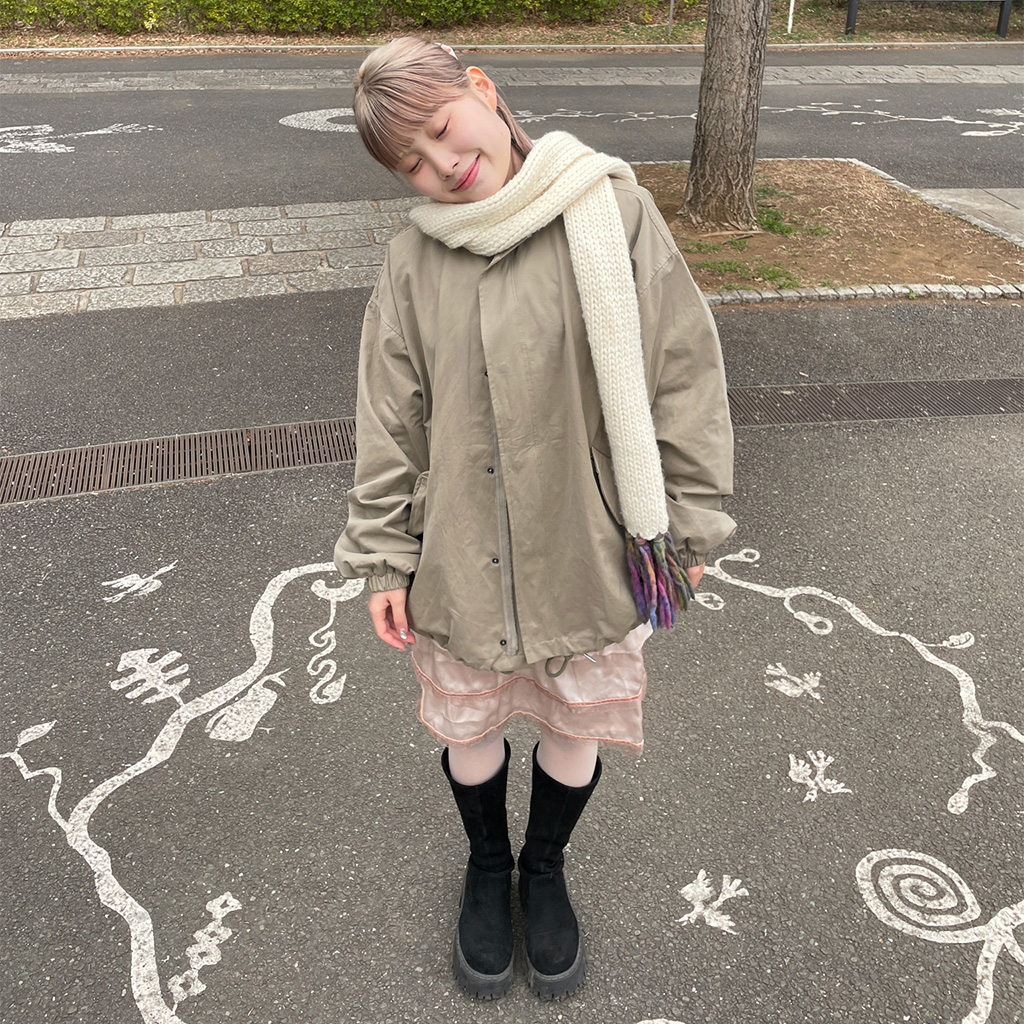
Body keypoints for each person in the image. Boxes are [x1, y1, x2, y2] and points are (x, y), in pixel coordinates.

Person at [335, 36, 736, 1002]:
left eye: (443, 128)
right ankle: (488, 866)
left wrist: (687, 524)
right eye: (413, 163)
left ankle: (543, 869)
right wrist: (385, 556)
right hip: (459, 550)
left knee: (574, 720)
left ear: (482, 89)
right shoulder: (414, 258)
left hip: (590, 543)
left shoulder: (612, 211)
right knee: (471, 726)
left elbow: (681, 374)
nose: (443, 164)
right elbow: (390, 417)